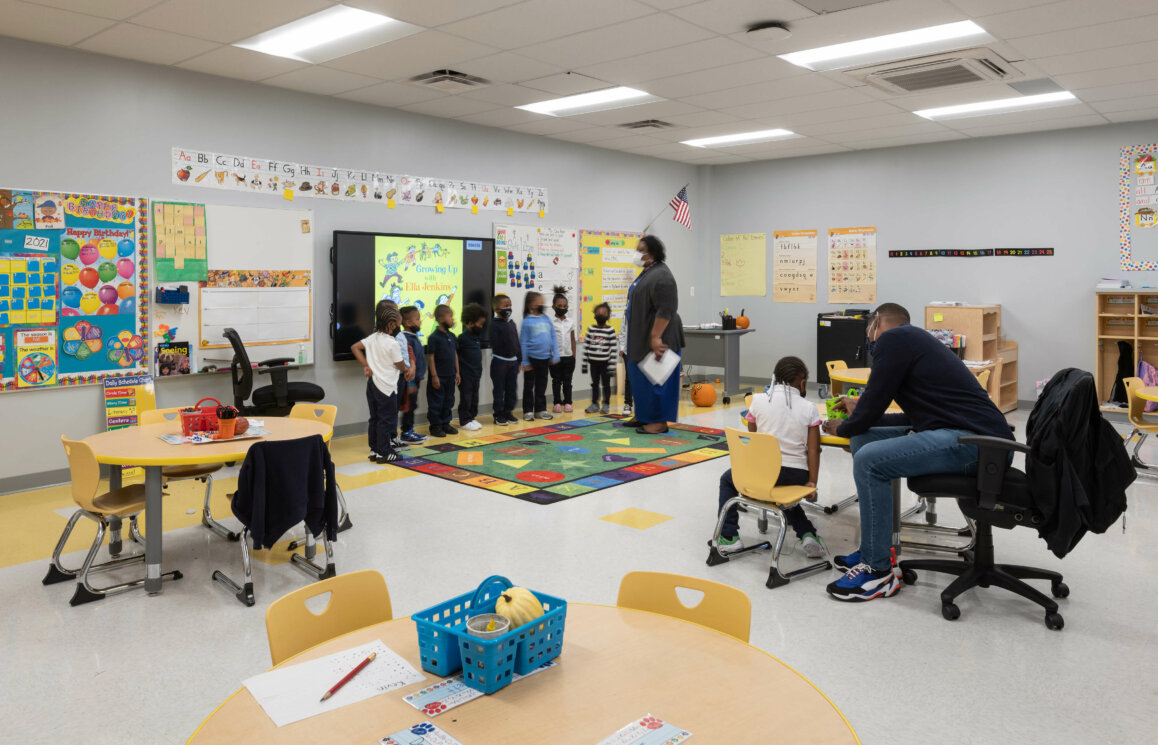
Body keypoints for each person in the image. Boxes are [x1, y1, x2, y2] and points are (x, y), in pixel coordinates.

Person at [821, 302, 1014, 602]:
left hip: (978, 443)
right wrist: (856, 422)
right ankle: (876, 546)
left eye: (870, 332)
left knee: (869, 461)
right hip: (961, 433)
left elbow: (875, 403)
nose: (870, 341)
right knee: (865, 441)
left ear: (877, 323)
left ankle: (878, 572)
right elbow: (909, 418)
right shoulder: (916, 342)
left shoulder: (894, 339)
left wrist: (844, 426)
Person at [716, 356, 826, 558]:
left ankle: (729, 536)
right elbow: (814, 450)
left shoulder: (757, 402)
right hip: (797, 475)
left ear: (774, 377)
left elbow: (754, 441)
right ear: (802, 383)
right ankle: (808, 534)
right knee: (783, 494)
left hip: (763, 474)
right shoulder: (809, 409)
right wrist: (812, 482)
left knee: (727, 480)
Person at [625, 235, 684, 434]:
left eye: (641, 250)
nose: (637, 253)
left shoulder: (662, 275)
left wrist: (655, 336)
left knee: (658, 380)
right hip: (640, 335)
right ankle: (644, 415)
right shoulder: (647, 272)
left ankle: (659, 422)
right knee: (640, 378)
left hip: (661, 335)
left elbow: (667, 308)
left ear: (652, 253)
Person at [350, 303, 408, 463]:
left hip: (372, 384)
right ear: (391, 325)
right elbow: (400, 365)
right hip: (386, 387)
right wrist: (405, 368)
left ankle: (375, 449)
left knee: (374, 418)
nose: (399, 327)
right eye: (399, 324)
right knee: (386, 419)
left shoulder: (373, 337)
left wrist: (366, 365)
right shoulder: (392, 343)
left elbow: (354, 347)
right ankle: (384, 452)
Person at [521, 290, 559, 421]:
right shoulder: (527, 321)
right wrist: (525, 362)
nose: (542, 304)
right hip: (532, 359)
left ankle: (540, 409)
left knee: (541, 385)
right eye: (539, 302)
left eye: (542, 302)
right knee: (529, 386)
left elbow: (553, 337)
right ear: (531, 305)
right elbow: (524, 343)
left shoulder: (546, 319)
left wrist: (555, 355)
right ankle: (527, 411)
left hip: (545, 358)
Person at [425, 304, 460, 437]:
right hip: (439, 376)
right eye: (450, 316)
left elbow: (455, 354)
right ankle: (435, 426)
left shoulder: (452, 336)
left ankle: (445, 423)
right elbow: (432, 358)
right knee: (436, 402)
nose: (452, 320)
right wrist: (434, 376)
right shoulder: (434, 337)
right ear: (440, 318)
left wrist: (457, 372)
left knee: (448, 400)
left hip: (450, 375)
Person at [489, 293, 519, 425]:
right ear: (496, 309)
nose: (509, 308)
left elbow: (516, 343)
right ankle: (498, 415)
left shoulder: (512, 324)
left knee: (511, 389)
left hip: (513, 362)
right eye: (505, 306)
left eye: (510, 305)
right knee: (499, 390)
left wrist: (519, 360)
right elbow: (496, 342)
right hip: (499, 362)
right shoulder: (494, 325)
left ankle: (508, 412)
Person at [398, 305, 427, 444]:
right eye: (417, 319)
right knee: (409, 406)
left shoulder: (415, 337)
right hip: (409, 381)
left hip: (416, 380)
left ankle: (410, 429)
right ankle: (406, 432)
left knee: (413, 405)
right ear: (408, 323)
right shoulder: (406, 338)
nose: (420, 322)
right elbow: (409, 362)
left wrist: (419, 378)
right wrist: (411, 382)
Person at [457, 302, 486, 432]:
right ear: (470, 323)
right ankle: (464, 420)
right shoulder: (462, 338)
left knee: (474, 397)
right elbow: (456, 356)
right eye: (479, 324)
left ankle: (471, 417)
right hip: (466, 374)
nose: (481, 327)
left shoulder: (476, 337)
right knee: (466, 398)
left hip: (476, 373)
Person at [583, 302, 617, 414]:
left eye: (603, 313)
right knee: (594, 384)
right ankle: (594, 404)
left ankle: (606, 404)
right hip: (593, 363)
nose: (600, 315)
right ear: (594, 315)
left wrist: (612, 367)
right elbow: (586, 346)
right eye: (598, 313)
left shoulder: (610, 330)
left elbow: (613, 349)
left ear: (608, 316)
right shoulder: (591, 329)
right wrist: (584, 363)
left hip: (605, 363)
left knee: (606, 384)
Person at [549, 285, 577, 413]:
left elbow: (572, 339)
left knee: (568, 381)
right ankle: (557, 402)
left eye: (565, 306)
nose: (562, 308)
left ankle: (568, 402)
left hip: (568, 357)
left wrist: (574, 355)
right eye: (559, 306)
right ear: (553, 306)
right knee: (556, 381)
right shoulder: (550, 322)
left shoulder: (570, 322)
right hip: (555, 357)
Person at [619, 329, 634, 418]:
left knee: (642, 379)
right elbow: (622, 332)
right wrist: (621, 348)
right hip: (628, 352)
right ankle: (628, 404)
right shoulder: (626, 315)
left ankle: (642, 404)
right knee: (629, 378)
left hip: (643, 351)